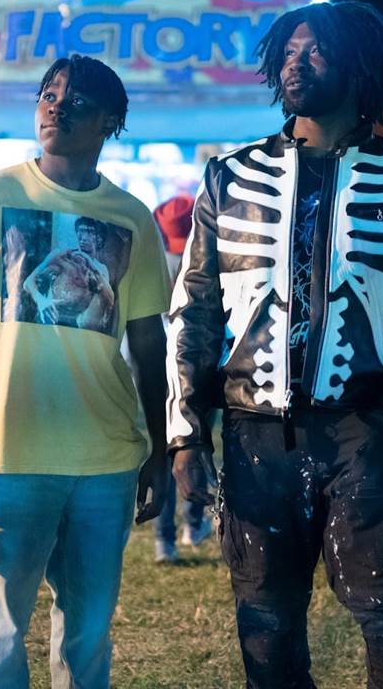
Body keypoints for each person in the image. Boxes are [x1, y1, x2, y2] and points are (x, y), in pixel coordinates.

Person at [167, 1, 383, 689]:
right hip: (253, 434)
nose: (295, 64)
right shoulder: (229, 176)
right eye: (287, 51)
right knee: (266, 625)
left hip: (366, 432)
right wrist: (186, 433)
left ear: (358, 65)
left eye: (315, 51)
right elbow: (194, 310)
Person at [0, 54, 171, 689]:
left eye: (76, 101)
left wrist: (161, 447)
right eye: (48, 94)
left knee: (89, 630)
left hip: (107, 459)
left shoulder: (132, 217)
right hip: (10, 455)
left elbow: (150, 342)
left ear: (109, 121)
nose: (56, 108)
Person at [150, 194, 211, 563]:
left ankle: (165, 541)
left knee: (163, 450)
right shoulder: (203, 260)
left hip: (157, 369)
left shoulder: (152, 258)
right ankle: (193, 523)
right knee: (196, 444)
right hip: (196, 370)